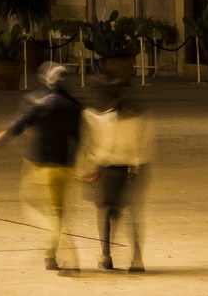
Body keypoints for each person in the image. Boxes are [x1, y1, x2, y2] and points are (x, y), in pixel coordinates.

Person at [0, 61, 84, 270]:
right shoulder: (75, 106)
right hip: (64, 166)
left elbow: (20, 123)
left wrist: (3, 137)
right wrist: (74, 164)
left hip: (39, 167)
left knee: (30, 204)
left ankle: (54, 236)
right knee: (58, 210)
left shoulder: (38, 103)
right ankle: (51, 254)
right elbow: (77, 139)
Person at [76, 79, 155, 272]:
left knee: (104, 212)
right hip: (135, 171)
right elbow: (145, 146)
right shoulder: (140, 119)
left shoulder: (103, 120)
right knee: (133, 213)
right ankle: (137, 258)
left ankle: (106, 255)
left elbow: (95, 146)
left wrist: (86, 169)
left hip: (110, 171)